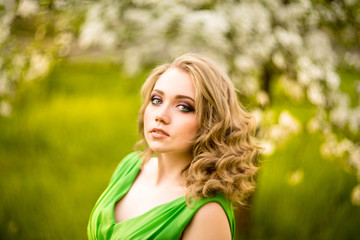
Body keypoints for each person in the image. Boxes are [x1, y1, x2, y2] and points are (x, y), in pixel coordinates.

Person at [87, 53, 260, 239]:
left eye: (183, 107)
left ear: (211, 122)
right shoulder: (130, 166)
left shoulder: (207, 212)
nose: (160, 115)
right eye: (156, 100)